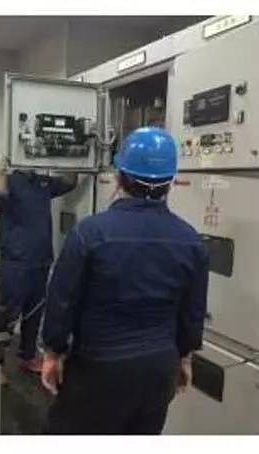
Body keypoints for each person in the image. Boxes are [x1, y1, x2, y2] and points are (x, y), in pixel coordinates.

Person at [40, 127, 209, 434]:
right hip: (158, 370)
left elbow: (62, 298)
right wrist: (185, 357)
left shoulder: (90, 233)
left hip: (98, 368)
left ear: (119, 177)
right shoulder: (190, 240)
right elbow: (193, 311)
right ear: (171, 181)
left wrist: (53, 351)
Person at [0, 161, 77, 375]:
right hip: (16, 262)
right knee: (8, 314)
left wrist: (72, 158)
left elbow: (70, 183)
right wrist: (0, 172)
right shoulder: (9, 180)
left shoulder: (42, 182)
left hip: (41, 260)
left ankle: (27, 356)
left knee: (34, 312)